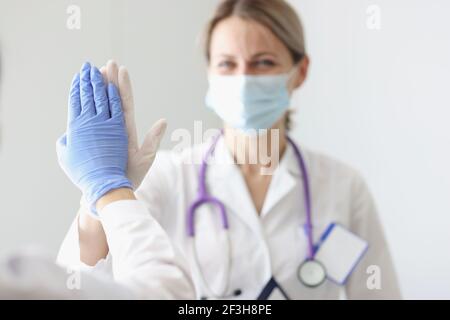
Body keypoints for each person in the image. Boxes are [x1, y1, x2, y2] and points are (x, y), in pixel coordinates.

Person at [59, 0, 401, 299]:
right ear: (209, 71)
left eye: (263, 63)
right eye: (227, 64)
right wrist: (98, 193)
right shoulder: (166, 176)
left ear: (300, 72)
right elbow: (82, 286)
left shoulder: (343, 186)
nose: (243, 79)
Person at [0, 59, 195, 299]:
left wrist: (99, 194)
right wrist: (108, 186)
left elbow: (84, 285)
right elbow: (167, 294)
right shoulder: (21, 283)